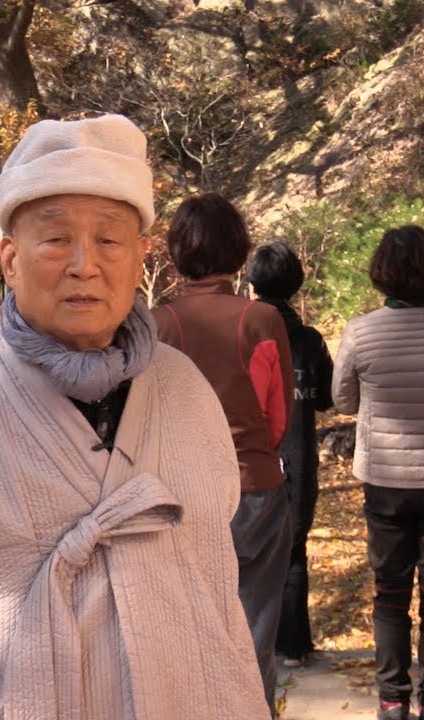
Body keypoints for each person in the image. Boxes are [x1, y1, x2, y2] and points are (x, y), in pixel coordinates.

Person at [0, 114, 269, 720]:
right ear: (10, 257)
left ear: (140, 258)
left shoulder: (183, 388)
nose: (84, 264)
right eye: (55, 238)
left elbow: (214, 568)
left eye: (108, 240)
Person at [152, 193, 295, 715]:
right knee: (254, 628)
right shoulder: (260, 319)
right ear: (239, 250)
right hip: (254, 486)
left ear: (177, 253)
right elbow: (278, 417)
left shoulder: (155, 324)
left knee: (184, 629)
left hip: (178, 497)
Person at [333, 226, 424, 720]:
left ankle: (392, 700)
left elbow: (344, 400)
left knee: (389, 592)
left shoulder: (361, 331)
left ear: (380, 274)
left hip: (386, 479)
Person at [247, 241, 334, 668]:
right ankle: (294, 645)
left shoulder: (244, 333)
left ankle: (253, 643)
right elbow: (326, 399)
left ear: (252, 282)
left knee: (249, 552)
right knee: (294, 549)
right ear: (296, 285)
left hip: (249, 460)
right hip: (299, 460)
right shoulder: (309, 341)